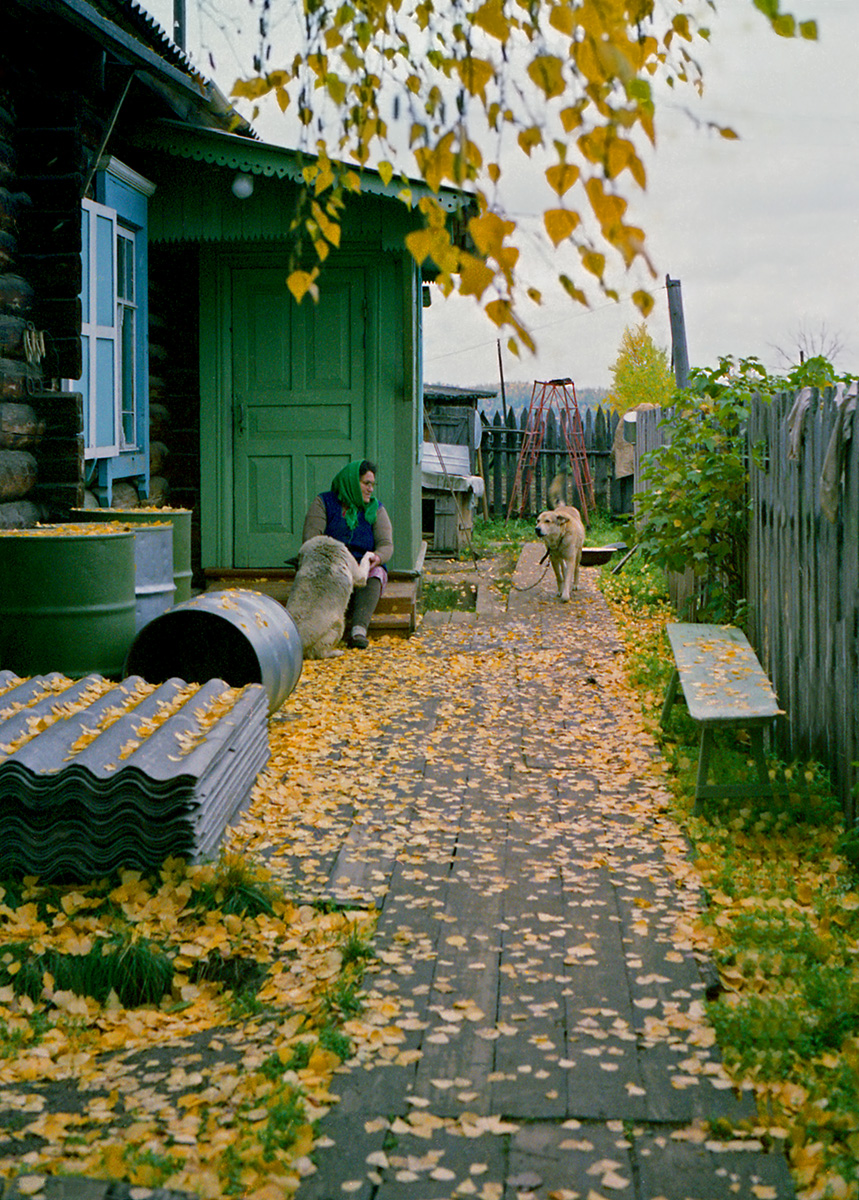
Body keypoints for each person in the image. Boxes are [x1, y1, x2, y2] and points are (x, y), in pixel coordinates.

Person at [301, 460, 393, 649]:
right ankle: (321, 631)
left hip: (361, 566)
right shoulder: (324, 502)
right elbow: (312, 540)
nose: (370, 489)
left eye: (372, 485)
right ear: (351, 482)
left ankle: (358, 630)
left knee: (376, 574)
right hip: (331, 562)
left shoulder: (376, 509)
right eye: (366, 483)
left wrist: (376, 557)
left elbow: (386, 545)